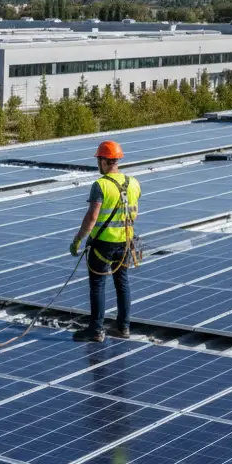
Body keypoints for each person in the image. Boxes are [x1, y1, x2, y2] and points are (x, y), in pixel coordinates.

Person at [70, 140, 141, 342]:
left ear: (104, 161)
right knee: (122, 283)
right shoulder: (134, 182)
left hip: (103, 244)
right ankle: (123, 327)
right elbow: (133, 212)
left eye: (99, 160)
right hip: (126, 242)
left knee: (98, 285)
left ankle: (96, 330)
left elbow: (92, 217)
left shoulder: (100, 185)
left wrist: (78, 240)